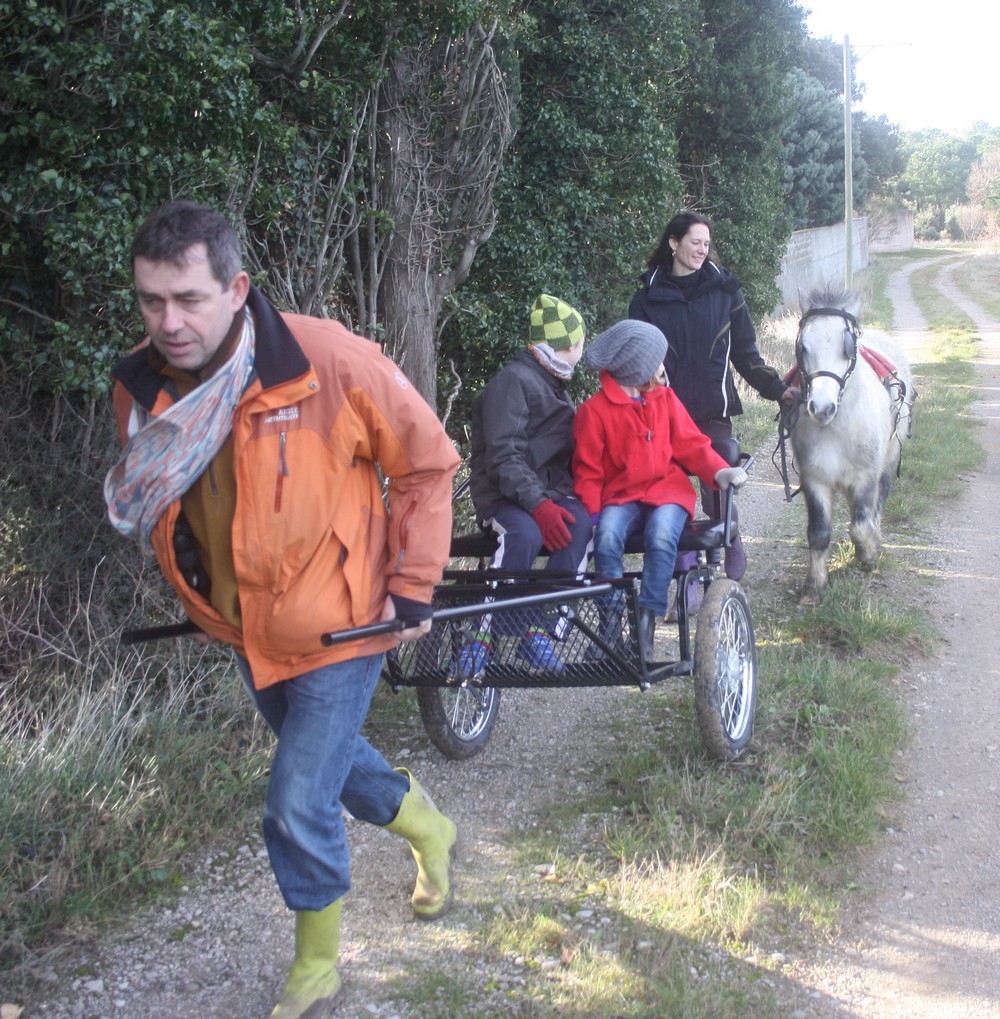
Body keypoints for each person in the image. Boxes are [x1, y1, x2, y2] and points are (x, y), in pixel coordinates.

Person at [104, 200, 461, 1019]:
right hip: (245, 627)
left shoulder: (324, 359)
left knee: (298, 796)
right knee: (331, 767)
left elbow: (427, 462)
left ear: (237, 289)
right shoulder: (143, 385)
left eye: (188, 298)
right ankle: (427, 826)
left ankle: (317, 965)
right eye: (152, 301)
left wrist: (413, 583)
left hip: (345, 618)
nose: (169, 321)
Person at [628, 211, 795, 594]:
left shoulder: (726, 292)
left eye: (706, 243)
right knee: (670, 492)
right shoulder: (646, 298)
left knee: (719, 468)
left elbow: (747, 356)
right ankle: (685, 576)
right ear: (674, 243)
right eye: (694, 242)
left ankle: (729, 535)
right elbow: (635, 362)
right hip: (661, 414)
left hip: (712, 412)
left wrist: (777, 389)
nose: (702, 250)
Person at [572, 320, 747, 660]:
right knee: (607, 537)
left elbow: (692, 445)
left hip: (668, 492)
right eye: (657, 360)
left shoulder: (665, 399)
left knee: (662, 536)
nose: (663, 367)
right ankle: (610, 622)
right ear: (637, 368)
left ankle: (646, 621)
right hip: (621, 495)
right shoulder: (593, 412)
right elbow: (588, 471)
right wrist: (592, 514)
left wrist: (720, 471)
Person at [461, 294, 593, 677]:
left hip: (547, 495)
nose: (580, 355)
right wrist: (538, 505)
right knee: (524, 534)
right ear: (566, 346)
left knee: (582, 527)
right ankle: (481, 635)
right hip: (504, 499)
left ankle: (539, 630)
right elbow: (503, 457)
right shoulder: (513, 381)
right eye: (580, 346)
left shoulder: (552, 383)